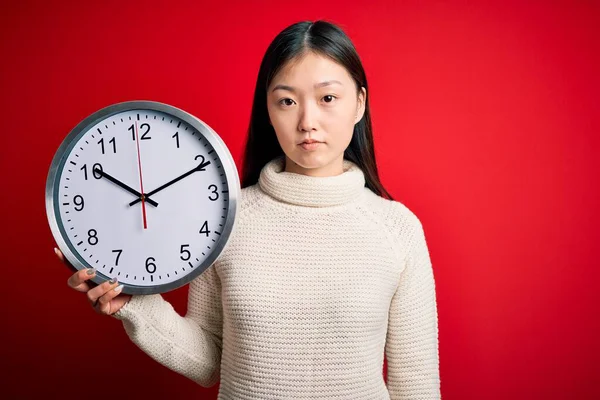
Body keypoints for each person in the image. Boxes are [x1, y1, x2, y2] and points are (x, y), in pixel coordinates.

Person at [57, 20, 441, 399]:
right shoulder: (226, 220)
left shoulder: (397, 229)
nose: (308, 122)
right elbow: (208, 361)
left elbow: (417, 386)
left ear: (359, 103)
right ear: (268, 111)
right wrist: (135, 305)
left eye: (327, 98)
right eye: (287, 101)